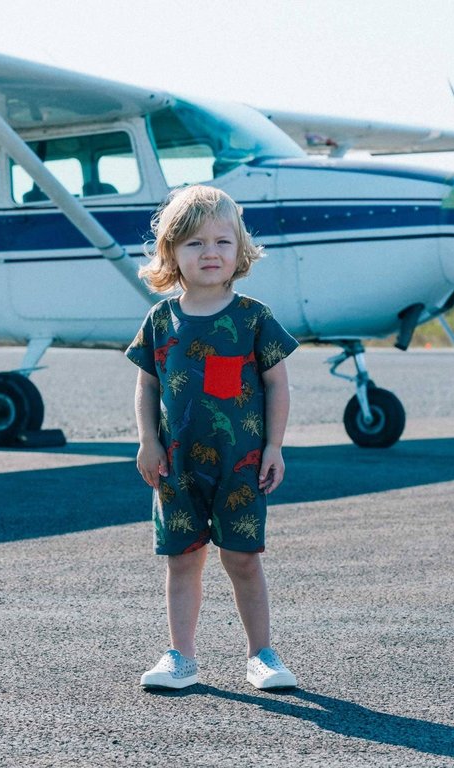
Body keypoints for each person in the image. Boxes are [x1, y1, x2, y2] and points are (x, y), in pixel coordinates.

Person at [125, 185, 298, 690]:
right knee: (183, 559)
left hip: (241, 465)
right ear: (172, 252)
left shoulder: (253, 317)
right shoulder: (160, 319)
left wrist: (273, 447)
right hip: (175, 466)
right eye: (195, 243)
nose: (210, 253)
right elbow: (147, 384)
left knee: (242, 558)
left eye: (223, 241)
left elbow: (276, 383)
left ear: (240, 249)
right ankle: (181, 656)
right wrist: (146, 442)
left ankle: (262, 654)